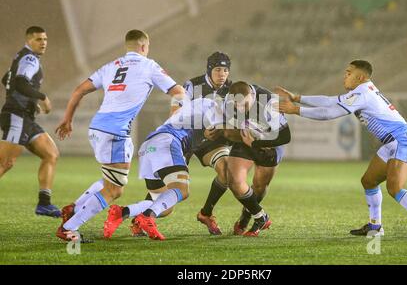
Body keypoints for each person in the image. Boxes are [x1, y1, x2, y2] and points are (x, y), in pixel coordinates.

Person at [277, 60, 407, 238]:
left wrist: (296, 110)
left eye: (349, 73)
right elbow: (329, 101)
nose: (345, 76)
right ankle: (375, 227)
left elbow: (329, 113)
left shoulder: (362, 94)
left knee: (394, 188)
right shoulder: (361, 91)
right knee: (369, 181)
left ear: (360, 77)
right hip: (392, 142)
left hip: (403, 140)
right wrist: (298, 98)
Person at [54, 29, 185, 242]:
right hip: (116, 132)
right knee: (115, 190)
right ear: (144, 47)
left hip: (96, 128)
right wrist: (174, 120)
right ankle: (69, 227)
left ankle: (74, 208)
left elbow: (79, 90)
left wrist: (67, 119)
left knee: (109, 180)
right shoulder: (149, 65)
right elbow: (178, 91)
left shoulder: (111, 66)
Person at [103, 97, 223, 240]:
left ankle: (122, 212)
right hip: (166, 142)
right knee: (182, 190)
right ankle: (147, 217)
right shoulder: (211, 109)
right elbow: (211, 129)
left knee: (163, 205)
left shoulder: (188, 116)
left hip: (149, 146)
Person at [206, 81, 291, 236]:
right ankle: (260, 217)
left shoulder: (269, 103)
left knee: (259, 186)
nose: (239, 108)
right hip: (245, 138)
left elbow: (285, 136)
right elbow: (224, 126)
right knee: (234, 181)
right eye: (236, 104)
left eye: (243, 104)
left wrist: (257, 142)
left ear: (252, 96)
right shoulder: (228, 100)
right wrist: (214, 131)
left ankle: (245, 218)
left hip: (270, 142)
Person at [0, 26, 60, 217]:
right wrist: (41, 97)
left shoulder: (21, 57)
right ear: (29, 41)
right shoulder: (30, 58)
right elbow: (19, 82)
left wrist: (29, 101)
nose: (43, 43)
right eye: (38, 39)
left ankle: (44, 203)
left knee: (51, 153)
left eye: (45, 39)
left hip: (26, 116)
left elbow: (6, 79)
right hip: (17, 115)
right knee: (5, 162)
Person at [184, 51, 232, 235]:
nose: (222, 74)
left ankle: (206, 213)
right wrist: (200, 128)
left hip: (212, 140)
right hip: (187, 137)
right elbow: (177, 115)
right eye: (218, 69)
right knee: (173, 187)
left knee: (227, 171)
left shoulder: (232, 89)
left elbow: (237, 117)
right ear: (209, 70)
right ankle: (142, 217)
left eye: (226, 70)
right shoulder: (191, 85)